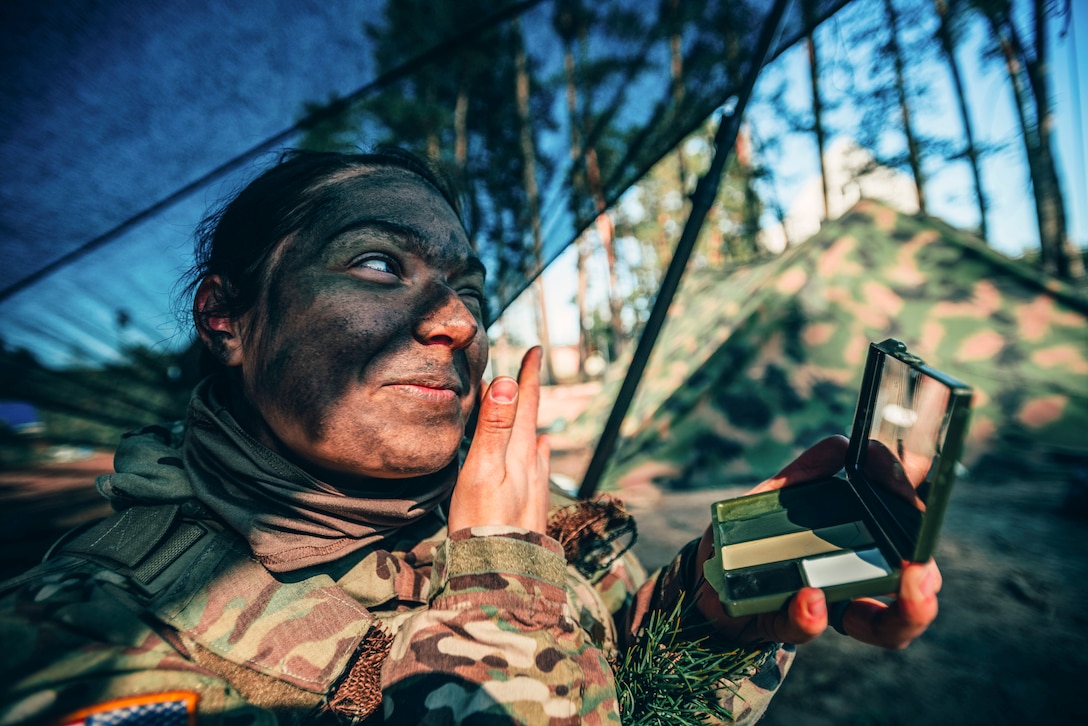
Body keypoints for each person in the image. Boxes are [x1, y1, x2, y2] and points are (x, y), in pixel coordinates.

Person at [0, 148, 940, 725]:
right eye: (377, 263)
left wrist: (715, 611)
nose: (455, 321)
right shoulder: (85, 637)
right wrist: (508, 599)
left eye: (471, 292)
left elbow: (626, 698)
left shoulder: (531, 522)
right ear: (227, 319)